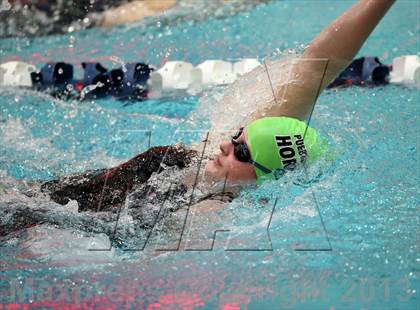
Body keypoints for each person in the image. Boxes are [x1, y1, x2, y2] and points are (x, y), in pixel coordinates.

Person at [37, 0, 395, 236]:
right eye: (239, 136)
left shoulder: (208, 213)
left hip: (57, 225)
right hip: (56, 193)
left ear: (267, 178)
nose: (227, 144)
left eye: (241, 153)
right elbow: (320, 61)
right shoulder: (212, 157)